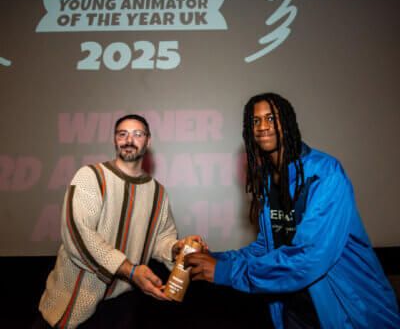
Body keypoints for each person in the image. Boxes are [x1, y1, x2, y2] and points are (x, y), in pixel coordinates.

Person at [185, 93, 400, 328]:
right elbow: (266, 248)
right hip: (293, 308)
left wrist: (224, 271)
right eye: (255, 121)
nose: (263, 126)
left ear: (287, 122)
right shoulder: (268, 179)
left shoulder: (325, 172)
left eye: (271, 118)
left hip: (347, 309)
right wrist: (214, 259)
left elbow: (309, 257)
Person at [34, 114, 203, 329]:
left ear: (148, 141)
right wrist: (129, 270)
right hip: (73, 299)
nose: (129, 140)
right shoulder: (90, 177)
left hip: (122, 303)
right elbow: (79, 234)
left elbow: (161, 237)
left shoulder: (158, 192)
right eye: (123, 134)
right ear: (115, 140)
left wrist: (174, 248)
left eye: (138, 134)